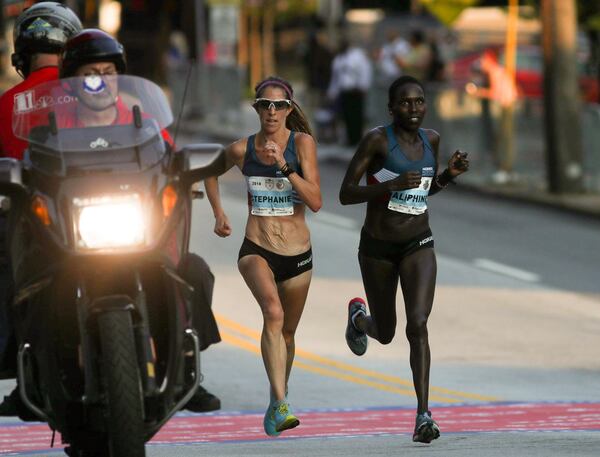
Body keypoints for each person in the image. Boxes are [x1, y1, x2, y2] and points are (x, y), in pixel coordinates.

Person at [338, 75, 469, 443]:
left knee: (418, 324)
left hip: (418, 242)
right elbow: (346, 193)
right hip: (377, 248)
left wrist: (448, 176)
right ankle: (360, 320)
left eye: (419, 101)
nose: (414, 108)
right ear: (392, 108)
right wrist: (388, 186)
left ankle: (423, 414)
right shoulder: (377, 140)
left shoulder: (432, 140)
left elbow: (426, 190)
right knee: (387, 332)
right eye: (406, 103)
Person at [204, 76, 321, 436]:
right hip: (256, 247)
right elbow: (209, 173)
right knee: (272, 312)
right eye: (264, 105)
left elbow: (315, 201)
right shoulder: (242, 150)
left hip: (298, 253)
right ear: (256, 109)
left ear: (290, 109)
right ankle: (283, 403)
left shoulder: (302, 145)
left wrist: (285, 169)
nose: (272, 111)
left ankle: (276, 401)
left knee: (286, 334)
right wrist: (219, 213)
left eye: (279, 105)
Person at [0, 1, 82, 420]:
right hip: (93, 216)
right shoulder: (95, 97)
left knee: (14, 281)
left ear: (22, 54)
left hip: (34, 224)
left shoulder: (6, 103)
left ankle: (23, 373)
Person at [327, 38, 373, 146]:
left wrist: (364, 85)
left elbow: (365, 69)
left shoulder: (357, 56)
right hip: (344, 92)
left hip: (356, 91)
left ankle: (358, 139)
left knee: (357, 116)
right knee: (346, 117)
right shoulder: (337, 59)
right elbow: (335, 78)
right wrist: (332, 92)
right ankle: (350, 139)